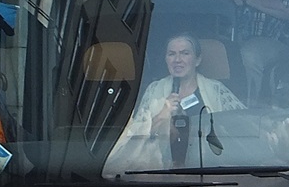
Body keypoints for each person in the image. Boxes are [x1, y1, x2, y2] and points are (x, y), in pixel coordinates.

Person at [104, 33, 244, 172]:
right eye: (171, 54)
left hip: (207, 168)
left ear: (197, 60)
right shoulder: (154, 90)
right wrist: (161, 117)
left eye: (185, 53)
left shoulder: (216, 90)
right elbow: (133, 139)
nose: (177, 59)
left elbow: (243, 124)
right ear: (166, 59)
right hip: (160, 170)